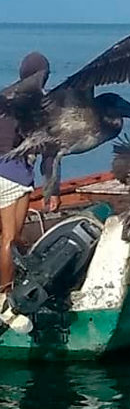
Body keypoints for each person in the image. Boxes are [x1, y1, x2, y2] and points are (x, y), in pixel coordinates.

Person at [0, 52, 50, 296]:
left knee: (13, 238)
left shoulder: (5, 95)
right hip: (13, 173)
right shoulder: (40, 102)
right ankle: (5, 294)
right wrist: (52, 187)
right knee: (10, 238)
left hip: (10, 173)